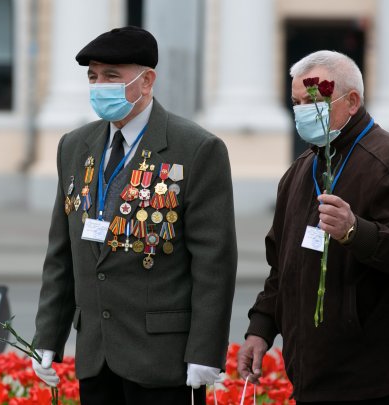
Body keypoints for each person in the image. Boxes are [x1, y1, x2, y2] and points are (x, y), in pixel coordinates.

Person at [31, 26, 237, 405]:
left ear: (147, 81)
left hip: (164, 359)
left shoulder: (196, 148)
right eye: (93, 76)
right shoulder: (75, 146)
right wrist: (48, 337)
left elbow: (214, 262)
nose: (99, 86)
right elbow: (62, 253)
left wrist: (205, 352)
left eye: (112, 76)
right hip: (97, 356)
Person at [237, 50, 389, 404]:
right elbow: (281, 267)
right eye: (296, 102)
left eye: (314, 100)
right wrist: (260, 329)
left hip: (368, 376)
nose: (303, 110)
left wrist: (355, 232)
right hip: (311, 371)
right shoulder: (301, 169)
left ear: (352, 101)